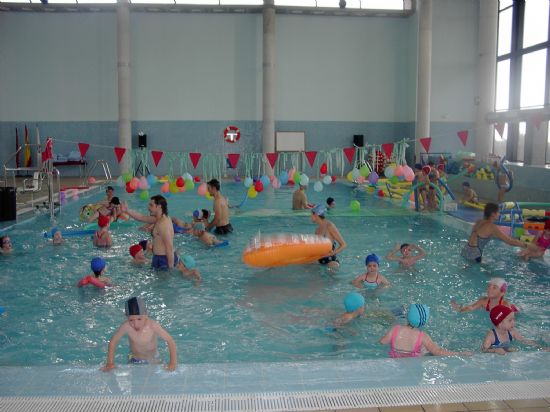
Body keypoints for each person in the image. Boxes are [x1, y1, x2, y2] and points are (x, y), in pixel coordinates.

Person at [101, 297, 177, 371]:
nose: (135, 324)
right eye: (131, 320)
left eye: (139, 319)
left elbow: (170, 341)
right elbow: (113, 341)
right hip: (134, 358)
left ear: (146, 315)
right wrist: (110, 363)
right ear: (127, 317)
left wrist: (172, 363)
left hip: (153, 359)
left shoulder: (153, 326)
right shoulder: (126, 326)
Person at [379, 304, 472, 358]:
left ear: (407, 316)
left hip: (394, 358)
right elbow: (438, 352)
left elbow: (381, 343)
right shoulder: (423, 336)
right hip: (412, 362)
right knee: (426, 350)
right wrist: (460, 353)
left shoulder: (395, 329)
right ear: (424, 321)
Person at [122, 195, 177, 270]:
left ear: (159, 206)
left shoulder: (163, 224)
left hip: (164, 260)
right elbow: (142, 217)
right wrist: (127, 210)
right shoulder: (159, 218)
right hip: (159, 258)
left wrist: (171, 268)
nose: (148, 207)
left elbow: (169, 247)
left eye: (151, 205)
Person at [461, 202, 528, 263]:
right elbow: (511, 241)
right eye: (498, 212)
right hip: (475, 255)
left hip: (466, 250)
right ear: (493, 214)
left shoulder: (478, 222)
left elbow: (480, 235)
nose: (499, 214)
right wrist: (527, 245)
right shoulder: (492, 227)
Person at [482, 305, 548, 355]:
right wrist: (494, 350)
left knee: (514, 350)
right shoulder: (491, 336)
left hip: (506, 349)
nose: (514, 322)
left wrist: (541, 347)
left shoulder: (512, 331)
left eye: (514, 319)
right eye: (510, 320)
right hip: (497, 349)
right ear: (500, 323)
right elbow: (484, 350)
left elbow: (523, 341)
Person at [450, 277, 518, 314]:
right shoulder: (483, 301)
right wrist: (459, 309)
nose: (489, 289)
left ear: (502, 293)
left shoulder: (505, 306)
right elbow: (470, 308)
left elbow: (510, 322)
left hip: (514, 310)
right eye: (489, 286)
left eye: (494, 287)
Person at [310, 204, 346, 268]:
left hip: (331, 260)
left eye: (311, 214)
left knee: (332, 268)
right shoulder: (317, 230)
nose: (310, 216)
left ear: (315, 214)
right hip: (319, 259)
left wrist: (332, 253)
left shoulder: (329, 226)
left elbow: (343, 245)